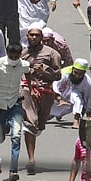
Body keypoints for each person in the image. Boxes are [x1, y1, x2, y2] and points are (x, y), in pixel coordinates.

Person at [0, 43, 30, 181]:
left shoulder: (24, 64)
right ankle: (4, 126)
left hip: (14, 103)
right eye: (11, 56)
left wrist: (30, 88)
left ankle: (13, 170)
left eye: (16, 56)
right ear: (7, 53)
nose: (14, 58)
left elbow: (28, 73)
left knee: (16, 137)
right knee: (0, 138)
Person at [18, 27, 61, 173]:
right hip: (28, 90)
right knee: (31, 122)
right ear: (27, 36)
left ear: (41, 37)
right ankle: (31, 159)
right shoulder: (23, 54)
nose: (34, 38)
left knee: (39, 125)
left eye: (37, 35)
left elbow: (58, 75)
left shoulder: (52, 53)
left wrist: (44, 71)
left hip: (46, 92)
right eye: (31, 35)